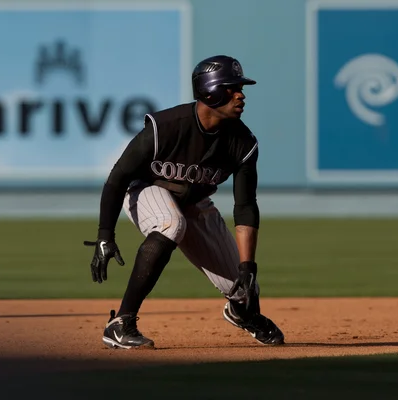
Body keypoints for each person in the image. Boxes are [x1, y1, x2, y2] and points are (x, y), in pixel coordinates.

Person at [84, 55, 285, 349]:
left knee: (243, 288)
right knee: (170, 224)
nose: (241, 94)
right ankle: (121, 322)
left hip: (196, 203)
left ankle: (240, 312)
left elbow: (244, 207)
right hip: (147, 190)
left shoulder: (242, 143)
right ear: (210, 91)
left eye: (240, 88)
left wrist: (247, 265)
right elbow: (117, 179)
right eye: (232, 87)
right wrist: (105, 236)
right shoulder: (166, 127)